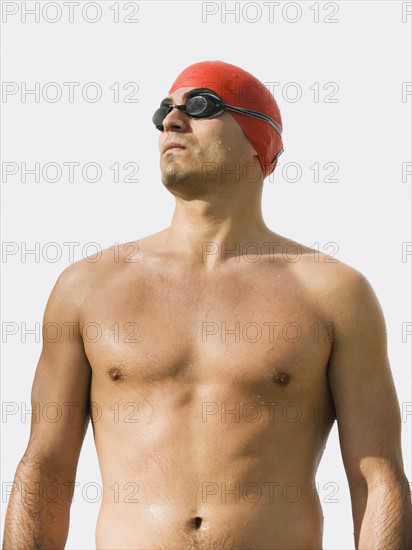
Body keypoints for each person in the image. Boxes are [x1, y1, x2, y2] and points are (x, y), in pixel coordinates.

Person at [3, 60, 411, 549]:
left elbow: (377, 479)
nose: (172, 121)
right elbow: (46, 469)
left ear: (259, 143)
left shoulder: (332, 293)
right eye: (164, 111)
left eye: (201, 106)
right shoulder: (88, 287)